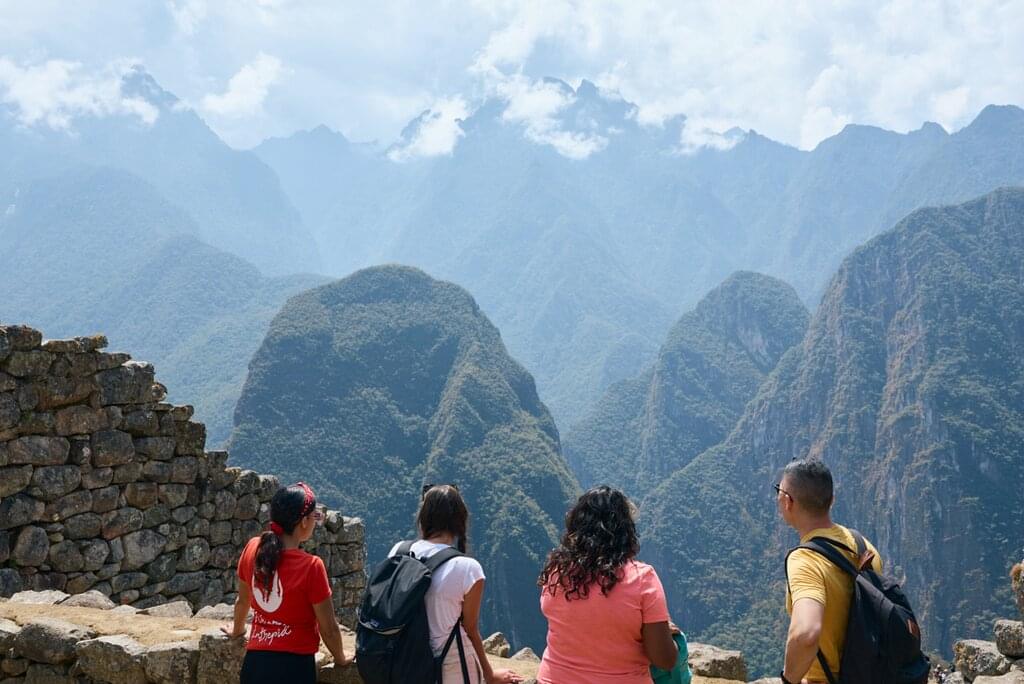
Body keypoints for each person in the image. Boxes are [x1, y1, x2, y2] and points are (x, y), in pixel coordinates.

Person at [536, 486, 679, 683]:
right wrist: (674, 641)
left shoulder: (556, 573)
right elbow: (664, 660)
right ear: (625, 531)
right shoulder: (642, 579)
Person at [388, 484, 523, 684]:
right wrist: (489, 674)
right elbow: (470, 629)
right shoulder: (468, 568)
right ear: (460, 520)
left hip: (401, 660)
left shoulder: (399, 551)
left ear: (423, 517)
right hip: (446, 667)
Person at [224, 482, 352, 683]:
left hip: (255, 666)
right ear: (304, 522)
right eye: (314, 516)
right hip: (295, 668)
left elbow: (243, 601)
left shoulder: (252, 548)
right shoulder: (311, 566)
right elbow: (328, 629)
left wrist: (237, 630)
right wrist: (341, 658)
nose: (315, 521)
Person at [777, 459, 883, 684]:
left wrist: (788, 680)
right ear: (832, 500)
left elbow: (806, 633)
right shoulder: (864, 547)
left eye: (779, 490)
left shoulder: (805, 561)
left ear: (787, 501)